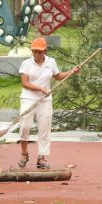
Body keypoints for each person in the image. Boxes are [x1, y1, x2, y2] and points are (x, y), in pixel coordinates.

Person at [16, 37, 80, 170]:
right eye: (34, 51)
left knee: (44, 128)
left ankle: (42, 158)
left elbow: (57, 76)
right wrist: (41, 89)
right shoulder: (26, 64)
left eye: (39, 52)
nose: (37, 54)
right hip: (28, 98)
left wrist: (71, 72)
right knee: (24, 125)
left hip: (45, 100)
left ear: (45, 51)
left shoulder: (51, 62)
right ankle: (24, 154)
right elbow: (25, 83)